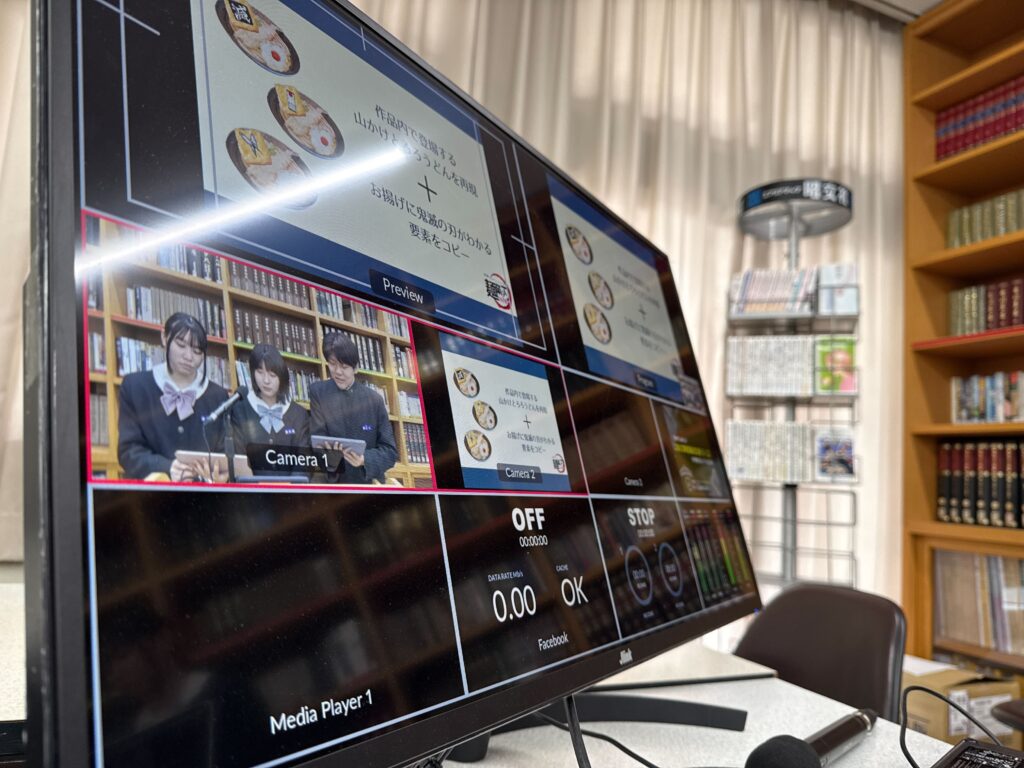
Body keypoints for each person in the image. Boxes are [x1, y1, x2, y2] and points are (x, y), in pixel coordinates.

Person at [117, 313, 229, 481]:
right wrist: (167, 467)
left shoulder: (219, 396)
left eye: (197, 351)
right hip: (151, 492)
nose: (188, 357)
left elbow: (225, 453)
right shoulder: (135, 387)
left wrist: (220, 474)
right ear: (164, 337)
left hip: (203, 492)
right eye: (181, 345)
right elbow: (128, 451)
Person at [309, 333, 397, 484]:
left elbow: (390, 453)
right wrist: (332, 456)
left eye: (344, 366)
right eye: (332, 364)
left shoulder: (375, 400)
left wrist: (364, 459)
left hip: (367, 482)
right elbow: (315, 443)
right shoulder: (318, 392)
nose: (338, 372)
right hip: (332, 482)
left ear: (356, 368)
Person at [231, 343, 310, 452]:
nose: (266, 381)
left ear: (282, 377)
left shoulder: (299, 414)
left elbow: (303, 459)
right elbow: (239, 456)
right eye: (260, 372)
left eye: (272, 375)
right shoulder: (240, 410)